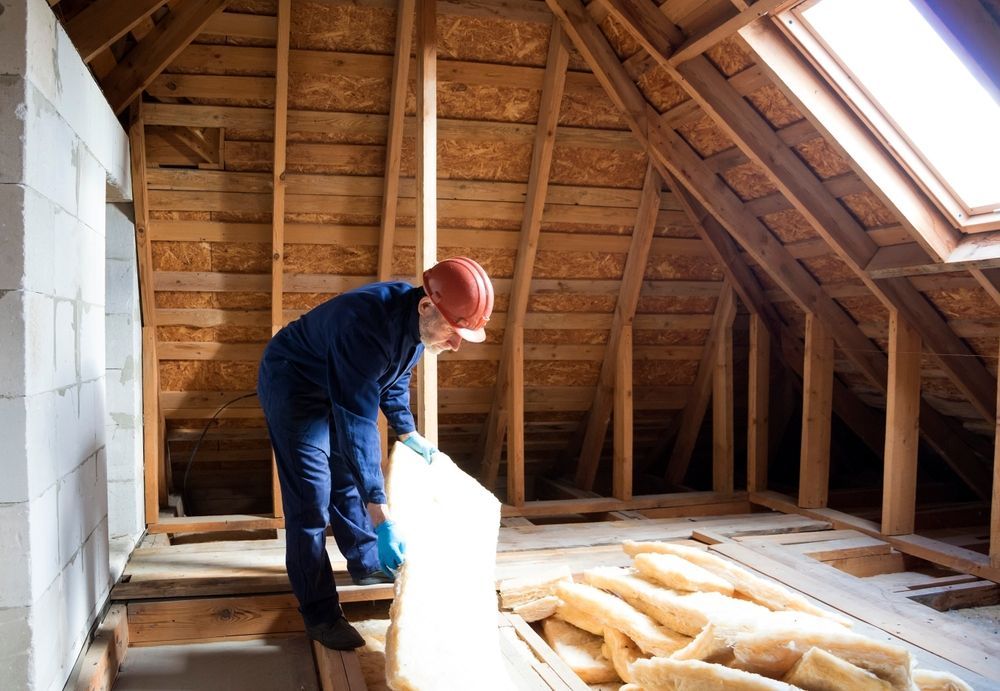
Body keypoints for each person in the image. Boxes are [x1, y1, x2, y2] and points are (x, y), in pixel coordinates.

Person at [257, 256, 494, 650]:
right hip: (293, 384)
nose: (455, 345)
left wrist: (407, 431)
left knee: (347, 478)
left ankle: (366, 563)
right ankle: (320, 615)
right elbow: (357, 424)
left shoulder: (418, 326)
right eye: (453, 332)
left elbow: (393, 380)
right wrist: (381, 514)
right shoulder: (365, 327)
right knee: (311, 499)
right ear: (426, 305)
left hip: (334, 381)